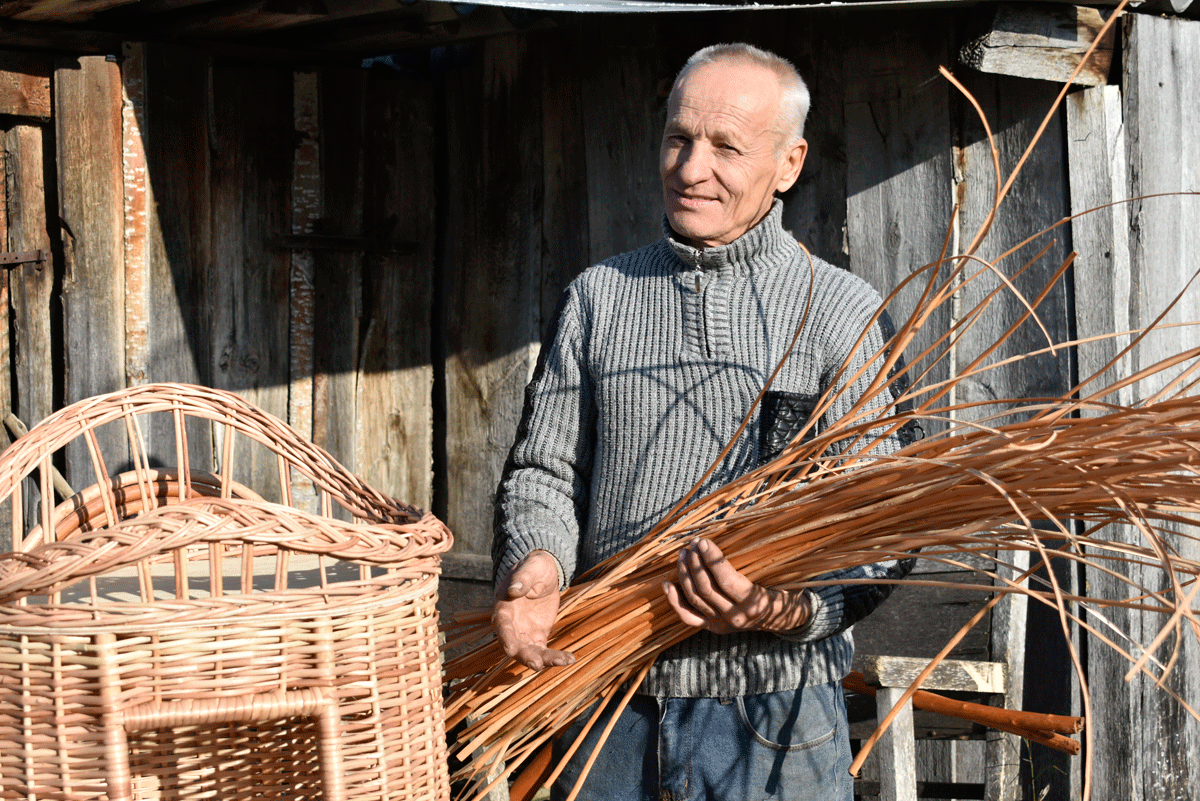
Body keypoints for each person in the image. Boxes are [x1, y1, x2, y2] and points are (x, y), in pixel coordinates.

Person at [491, 42, 913, 801]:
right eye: (678, 138)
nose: (691, 168)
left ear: (789, 164)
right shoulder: (599, 298)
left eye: (726, 146)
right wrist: (540, 562)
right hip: (608, 700)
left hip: (778, 718)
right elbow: (544, 470)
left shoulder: (842, 311)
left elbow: (884, 519)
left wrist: (782, 608)